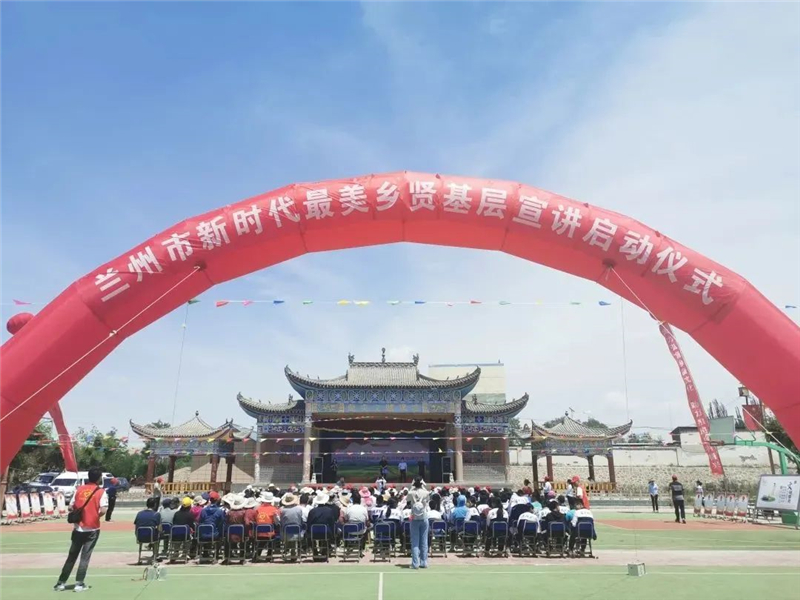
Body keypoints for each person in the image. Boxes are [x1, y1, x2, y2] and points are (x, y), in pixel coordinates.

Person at [54, 467, 108, 593]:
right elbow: (104, 510)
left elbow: (70, 507)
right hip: (92, 529)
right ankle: (79, 583)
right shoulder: (101, 492)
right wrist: (95, 516)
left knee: (72, 556)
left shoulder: (79, 489)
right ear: (99, 478)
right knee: (85, 557)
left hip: (78, 528)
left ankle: (61, 583)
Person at [306, 492, 339, 556]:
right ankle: (325, 550)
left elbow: (309, 523)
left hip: (314, 532)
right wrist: (333, 533)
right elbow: (332, 523)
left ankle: (315, 551)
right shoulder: (329, 511)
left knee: (310, 534)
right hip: (326, 532)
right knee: (329, 532)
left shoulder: (312, 511)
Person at [408, 476, 429, 569]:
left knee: (415, 541)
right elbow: (427, 497)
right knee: (424, 541)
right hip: (424, 517)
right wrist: (423, 485)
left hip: (414, 518)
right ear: (422, 483)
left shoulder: (411, 492)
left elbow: (408, 499)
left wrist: (412, 486)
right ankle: (424, 562)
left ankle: (415, 563)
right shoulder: (426, 492)